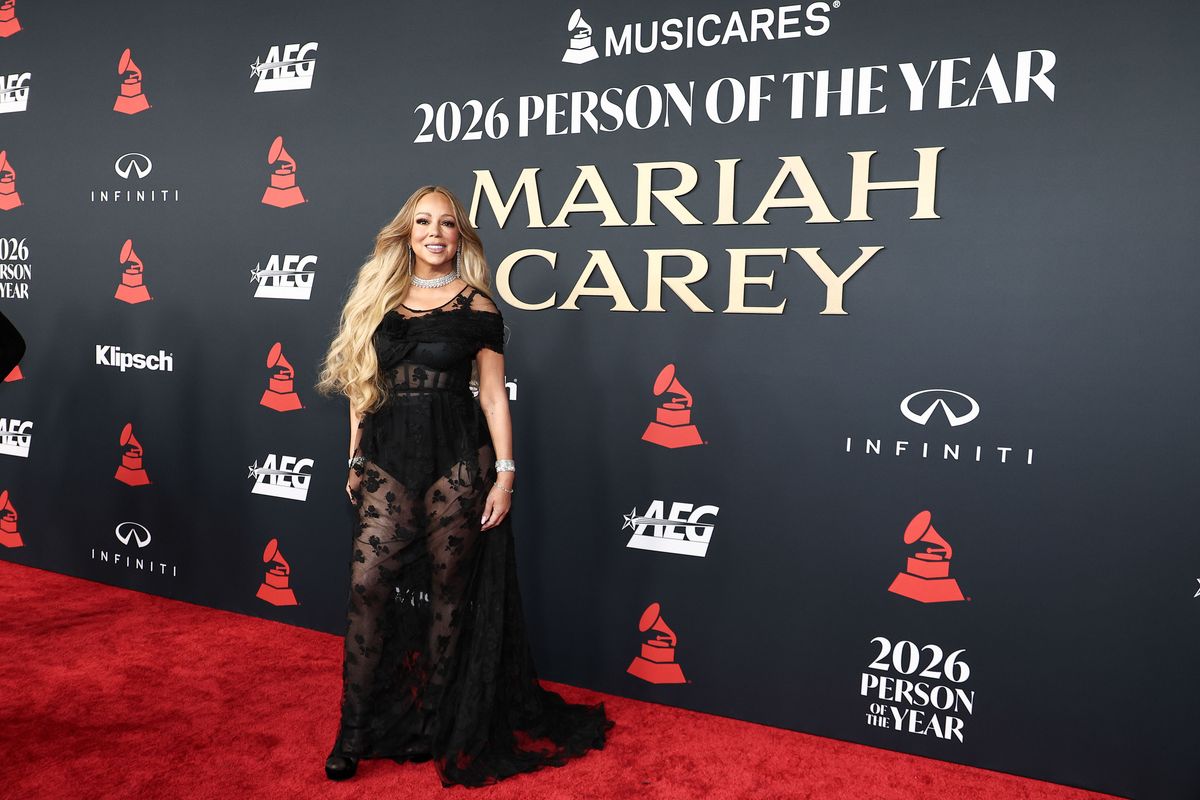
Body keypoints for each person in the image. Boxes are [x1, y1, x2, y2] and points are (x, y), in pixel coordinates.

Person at [316, 185, 613, 787]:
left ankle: (433, 720)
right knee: (368, 586)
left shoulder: (480, 307)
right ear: (406, 232)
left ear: (460, 236)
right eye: (422, 222)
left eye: (446, 224)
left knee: (452, 593)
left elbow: (494, 395)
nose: (434, 232)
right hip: (388, 460)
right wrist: (353, 454)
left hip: (457, 461)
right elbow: (358, 384)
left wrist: (505, 474)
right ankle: (352, 732)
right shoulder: (376, 298)